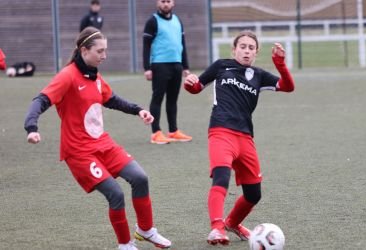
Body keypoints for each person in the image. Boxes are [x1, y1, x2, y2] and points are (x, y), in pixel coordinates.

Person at [24, 27, 171, 250]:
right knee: (115, 193)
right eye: (100, 51)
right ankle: (125, 245)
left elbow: (111, 99)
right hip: (79, 152)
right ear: (84, 50)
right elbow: (40, 100)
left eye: (106, 50)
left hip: (102, 143)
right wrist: (31, 127)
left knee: (140, 178)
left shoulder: (95, 75)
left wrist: (138, 110)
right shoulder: (67, 76)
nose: (105, 56)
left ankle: (146, 230)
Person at [183, 30, 295, 245]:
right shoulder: (220, 66)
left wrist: (279, 63)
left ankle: (232, 223)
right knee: (221, 177)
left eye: (251, 48)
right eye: (242, 46)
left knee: (254, 194)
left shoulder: (259, 75)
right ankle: (216, 228)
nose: (246, 51)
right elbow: (196, 87)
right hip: (220, 132)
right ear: (234, 50)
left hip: (245, 138)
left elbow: (288, 87)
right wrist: (189, 82)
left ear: (256, 53)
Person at [142, 0, 192, 144]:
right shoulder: (152, 21)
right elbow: (146, 46)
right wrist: (147, 68)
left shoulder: (178, 20)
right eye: (163, 1)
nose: (165, 4)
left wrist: (185, 66)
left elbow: (182, 44)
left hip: (176, 65)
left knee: (172, 99)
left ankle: (173, 131)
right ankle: (156, 132)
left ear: (173, 3)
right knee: (157, 98)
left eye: (168, 1)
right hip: (159, 65)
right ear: (158, 3)